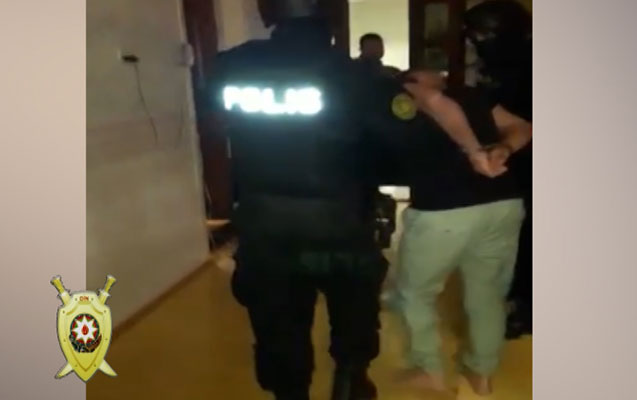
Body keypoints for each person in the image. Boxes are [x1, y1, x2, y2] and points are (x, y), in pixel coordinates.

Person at [394, 71, 532, 396]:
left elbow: (435, 102)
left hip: (444, 209)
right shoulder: (474, 94)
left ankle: (428, 369)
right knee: (488, 293)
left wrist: (475, 152)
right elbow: (523, 127)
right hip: (502, 204)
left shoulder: (411, 90)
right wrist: (504, 148)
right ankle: (482, 373)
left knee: (416, 293)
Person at [465, 0, 533, 339]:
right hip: (510, 162)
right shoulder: (494, 65)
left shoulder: (528, 65)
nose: (475, 41)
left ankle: (525, 307)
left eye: (481, 34)